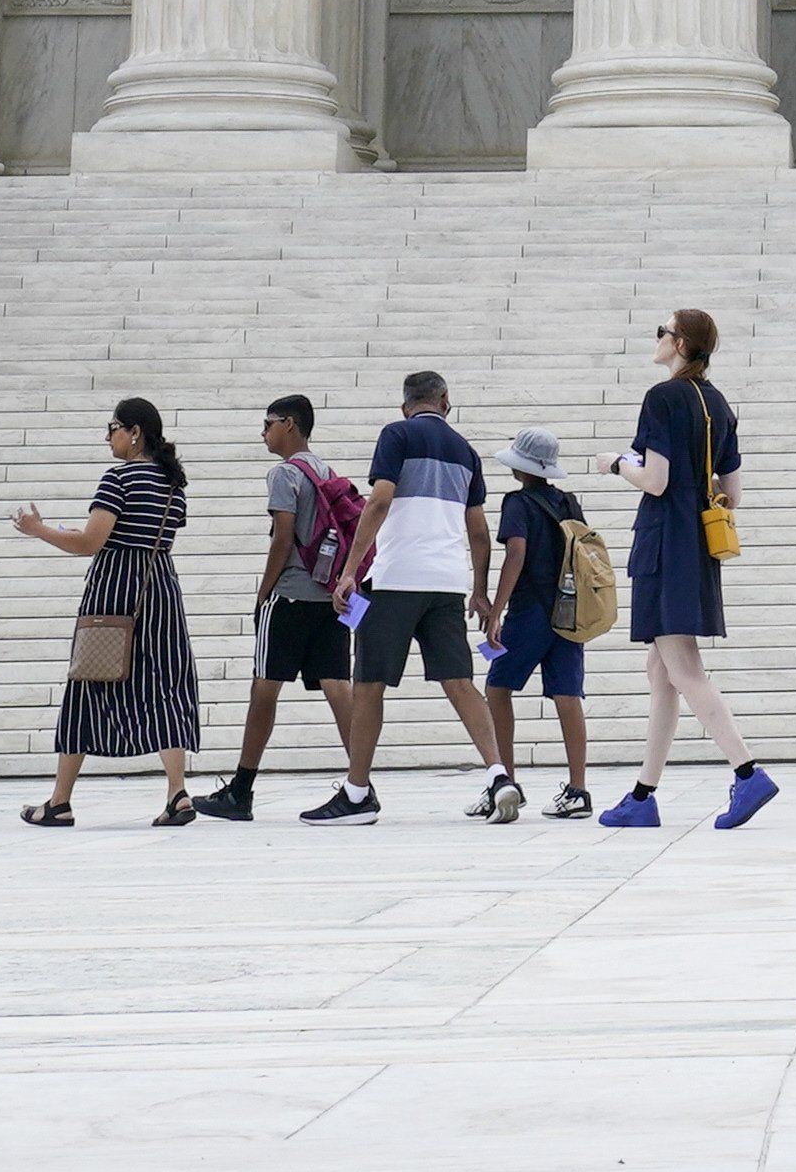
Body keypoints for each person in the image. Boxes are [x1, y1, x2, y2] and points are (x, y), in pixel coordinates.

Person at [319, 369, 506, 823]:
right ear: (446, 400)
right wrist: (480, 591)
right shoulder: (466, 451)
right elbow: (478, 531)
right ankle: (499, 774)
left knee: (368, 684)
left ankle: (358, 793)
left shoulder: (396, 434)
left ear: (405, 406)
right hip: (446, 582)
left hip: (395, 579)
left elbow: (379, 501)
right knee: (459, 682)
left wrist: (347, 573)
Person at [611, 308, 773, 829]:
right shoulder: (718, 403)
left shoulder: (662, 397)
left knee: (682, 668)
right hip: (698, 543)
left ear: (679, 343)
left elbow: (654, 480)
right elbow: (736, 493)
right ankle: (643, 795)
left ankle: (747, 773)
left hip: (664, 543)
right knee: (661, 671)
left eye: (663, 331)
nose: (656, 339)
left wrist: (615, 464)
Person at [13, 397, 198, 826]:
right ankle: (178, 793)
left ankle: (59, 801)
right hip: (161, 589)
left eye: (112, 427)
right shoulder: (172, 483)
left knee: (87, 682)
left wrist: (39, 530)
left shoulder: (118, 479)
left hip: (114, 590)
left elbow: (91, 543)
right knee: (164, 685)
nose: (108, 436)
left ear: (134, 432)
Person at [194, 393, 361, 822]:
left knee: (263, 690)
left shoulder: (283, 474)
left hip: (289, 597)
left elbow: (282, 538)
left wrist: (262, 592)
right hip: (331, 600)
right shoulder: (326, 471)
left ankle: (242, 790)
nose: (263, 432)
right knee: (339, 688)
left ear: (289, 424)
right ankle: (360, 787)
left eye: (267, 423)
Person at [478, 425, 598, 820]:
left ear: (520, 466)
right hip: (569, 613)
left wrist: (496, 610)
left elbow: (516, 553)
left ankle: (505, 782)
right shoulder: (568, 502)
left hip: (529, 613)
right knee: (568, 696)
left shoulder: (517, 503)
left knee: (497, 688)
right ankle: (578, 789)